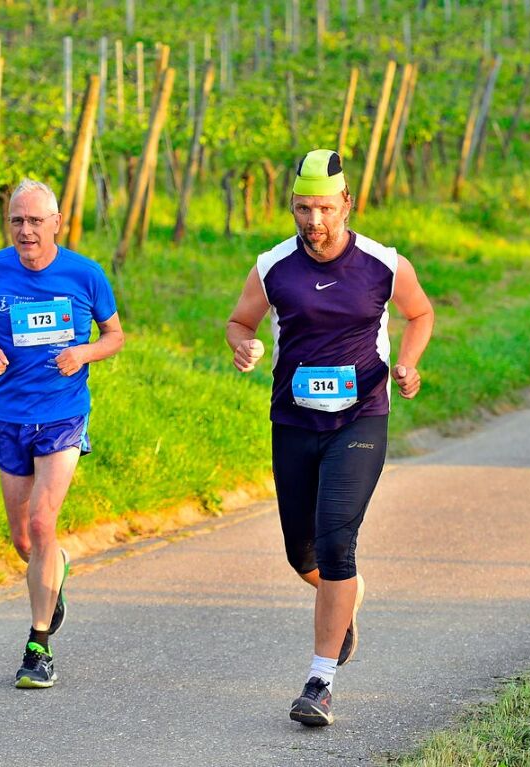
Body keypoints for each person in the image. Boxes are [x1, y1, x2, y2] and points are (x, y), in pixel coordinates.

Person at [225, 149, 434, 726]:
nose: (313, 221)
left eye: (322, 208)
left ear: (347, 203)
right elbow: (239, 320)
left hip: (360, 417)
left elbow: (420, 314)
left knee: (337, 541)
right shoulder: (273, 266)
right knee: (303, 554)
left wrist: (409, 364)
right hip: (294, 421)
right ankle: (346, 601)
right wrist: (241, 343)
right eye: (301, 209)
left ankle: (320, 681)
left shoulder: (383, 264)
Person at [0, 179, 124, 688]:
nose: (26, 230)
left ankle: (38, 648)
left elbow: (114, 335)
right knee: (24, 540)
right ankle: (54, 571)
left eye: (35, 221)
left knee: (41, 520)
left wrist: (84, 353)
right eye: (17, 221)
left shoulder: (85, 274)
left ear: (56, 222)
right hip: (8, 416)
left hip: (62, 415)